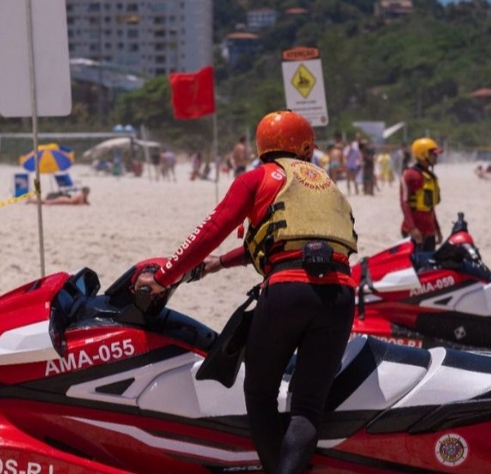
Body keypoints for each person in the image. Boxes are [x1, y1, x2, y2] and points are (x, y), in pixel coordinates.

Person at [137, 110, 358, 474]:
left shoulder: (258, 177)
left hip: (287, 293)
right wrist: (220, 263)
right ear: (305, 148)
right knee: (307, 407)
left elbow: (213, 228)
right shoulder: (326, 184)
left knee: (260, 395)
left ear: (261, 146)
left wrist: (163, 276)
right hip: (339, 295)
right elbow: (289, 239)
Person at [400, 137, 443, 252]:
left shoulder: (430, 176)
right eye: (433, 154)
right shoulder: (410, 175)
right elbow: (404, 203)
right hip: (414, 231)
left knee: (429, 262)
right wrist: (412, 228)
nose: (436, 157)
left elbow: (430, 208)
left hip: (429, 230)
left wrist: (437, 229)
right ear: (423, 154)